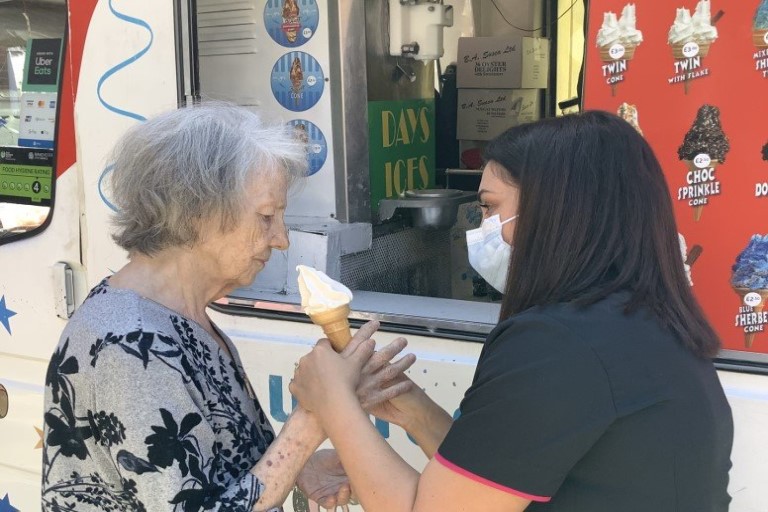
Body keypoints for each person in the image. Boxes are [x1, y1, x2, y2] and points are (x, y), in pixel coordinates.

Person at [290, 111, 734, 512]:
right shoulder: (644, 323)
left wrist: (333, 401)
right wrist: (412, 409)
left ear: (559, 212)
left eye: (490, 207)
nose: (481, 228)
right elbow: (499, 475)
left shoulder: (560, 343)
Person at [41, 103, 413, 511]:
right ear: (199, 212)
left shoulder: (181, 316)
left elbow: (213, 470)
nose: (282, 239)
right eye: (267, 216)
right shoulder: (128, 346)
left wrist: (303, 468)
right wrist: (318, 416)